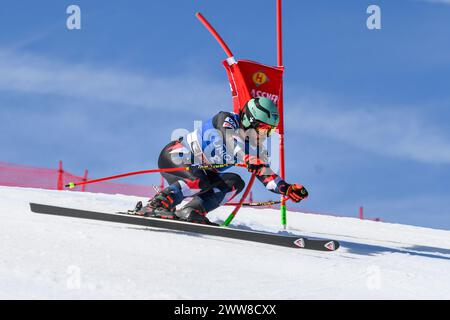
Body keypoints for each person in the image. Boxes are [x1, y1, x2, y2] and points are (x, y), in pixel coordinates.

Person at [134, 97, 308, 224]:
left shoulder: (254, 148)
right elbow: (229, 137)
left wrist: (287, 188)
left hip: (198, 174)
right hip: (175, 157)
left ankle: (192, 210)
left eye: (269, 131)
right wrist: (246, 157)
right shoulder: (227, 118)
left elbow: (267, 176)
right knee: (199, 177)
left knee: (234, 182)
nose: (264, 135)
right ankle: (157, 203)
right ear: (249, 120)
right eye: (263, 129)